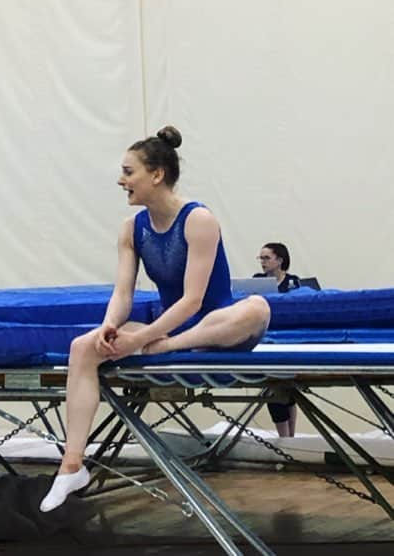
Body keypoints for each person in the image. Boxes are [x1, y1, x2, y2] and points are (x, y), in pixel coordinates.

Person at [40, 127, 271, 512]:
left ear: (157, 174)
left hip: (218, 326)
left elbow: (194, 300)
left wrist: (145, 339)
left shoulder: (198, 220)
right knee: (83, 347)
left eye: (129, 172)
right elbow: (123, 293)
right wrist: (110, 328)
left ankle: (174, 345)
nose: (121, 180)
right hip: (170, 328)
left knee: (258, 309)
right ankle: (72, 465)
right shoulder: (132, 229)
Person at [253, 241, 299, 435]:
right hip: (266, 338)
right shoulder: (257, 281)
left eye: (266, 258)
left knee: (289, 392)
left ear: (279, 260)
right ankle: (284, 438)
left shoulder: (292, 282)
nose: (262, 262)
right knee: (273, 390)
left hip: (287, 340)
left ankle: (291, 436)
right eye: (260, 258)